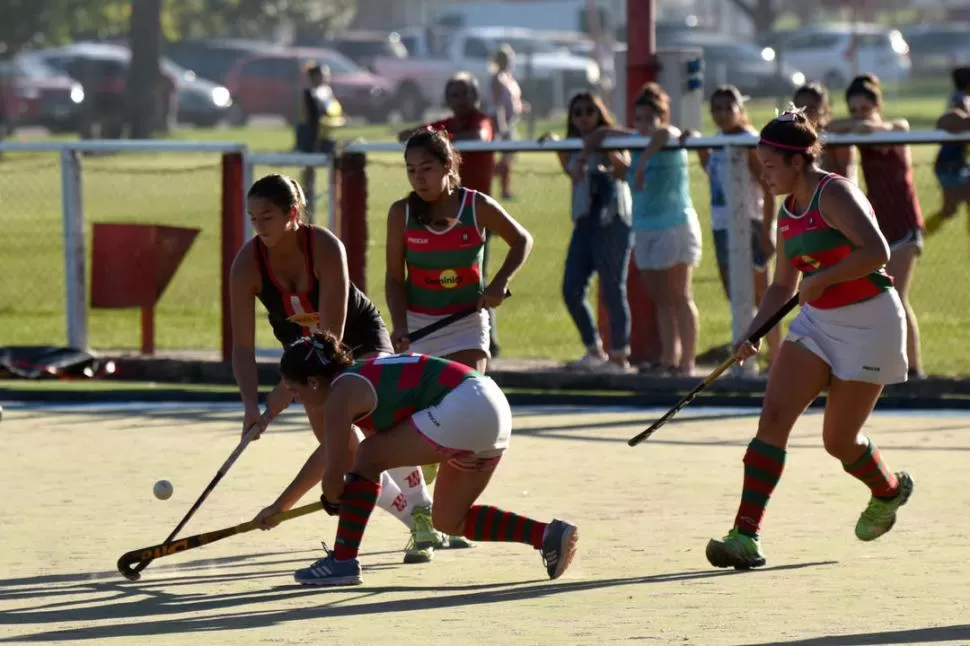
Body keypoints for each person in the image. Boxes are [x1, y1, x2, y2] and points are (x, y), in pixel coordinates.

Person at [705, 108, 913, 570]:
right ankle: (745, 535)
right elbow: (783, 286)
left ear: (798, 161)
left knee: (839, 442)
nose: (765, 176)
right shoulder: (787, 211)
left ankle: (889, 491)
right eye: (761, 167)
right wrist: (754, 333)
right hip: (817, 325)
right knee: (773, 419)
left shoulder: (834, 193)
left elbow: (877, 251)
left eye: (772, 166)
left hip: (870, 323)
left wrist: (826, 278)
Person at [231, 173, 470, 565]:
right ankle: (419, 520)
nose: (258, 226)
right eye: (252, 217)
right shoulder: (247, 264)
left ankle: (424, 511)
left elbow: (330, 340)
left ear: (293, 214)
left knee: (380, 426)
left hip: (351, 338)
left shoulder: (324, 246)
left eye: (267, 217)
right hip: (304, 354)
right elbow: (241, 347)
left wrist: (277, 401)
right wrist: (250, 407)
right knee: (339, 446)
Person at [256, 333, 578, 586]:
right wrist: (281, 508)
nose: (296, 399)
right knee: (448, 520)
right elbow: (333, 457)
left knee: (370, 455)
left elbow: (337, 476)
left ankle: (342, 562)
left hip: (464, 405)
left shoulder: (340, 393)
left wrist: (336, 496)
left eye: (294, 390)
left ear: (313, 381)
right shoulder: (357, 378)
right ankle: (547, 535)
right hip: (493, 407)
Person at [385, 128, 533, 376]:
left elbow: (522, 240)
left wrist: (499, 283)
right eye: (411, 170)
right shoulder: (401, 213)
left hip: (466, 324)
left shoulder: (477, 206)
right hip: (417, 325)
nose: (418, 178)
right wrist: (400, 325)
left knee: (465, 393)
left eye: (426, 168)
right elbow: (394, 279)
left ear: (447, 165)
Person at [584, 84, 699, 376]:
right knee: (660, 298)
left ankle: (687, 363)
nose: (644, 124)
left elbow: (665, 133)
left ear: (660, 116)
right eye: (639, 118)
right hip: (645, 227)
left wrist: (643, 159)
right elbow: (602, 135)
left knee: (680, 295)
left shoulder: (666, 141)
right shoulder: (636, 141)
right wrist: (593, 149)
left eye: (649, 117)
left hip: (674, 224)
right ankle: (668, 359)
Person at [397, 73, 505, 358]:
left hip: (471, 216)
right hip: (420, 321)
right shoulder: (402, 211)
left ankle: (486, 339)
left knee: (473, 277)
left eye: (464, 93)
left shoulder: (481, 121)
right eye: (453, 94)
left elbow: (479, 136)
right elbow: (411, 135)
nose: (459, 100)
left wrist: (440, 140)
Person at [828, 74, 925, 379]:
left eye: (864, 108)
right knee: (880, 297)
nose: (859, 115)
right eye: (853, 109)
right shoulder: (859, 130)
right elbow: (832, 128)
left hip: (905, 223)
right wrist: (855, 123)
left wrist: (860, 124)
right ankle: (886, 364)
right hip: (881, 226)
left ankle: (914, 367)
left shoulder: (897, 128)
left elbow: (878, 128)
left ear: (878, 104)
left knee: (897, 294)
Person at [681, 84, 779, 372]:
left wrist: (767, 231)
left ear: (740, 109)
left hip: (749, 222)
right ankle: (748, 353)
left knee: (761, 295)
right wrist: (697, 144)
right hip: (723, 225)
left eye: (728, 108)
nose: (723, 114)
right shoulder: (719, 141)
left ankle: (777, 356)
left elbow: (768, 189)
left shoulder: (749, 142)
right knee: (735, 292)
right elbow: (714, 172)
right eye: (717, 109)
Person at [541, 91, 634, 374]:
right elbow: (572, 173)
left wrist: (601, 142)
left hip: (613, 220)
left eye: (589, 112)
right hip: (584, 222)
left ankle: (619, 356)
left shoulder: (611, 140)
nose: (583, 118)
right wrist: (558, 146)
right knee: (571, 288)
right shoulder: (573, 145)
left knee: (612, 289)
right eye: (577, 113)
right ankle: (594, 349)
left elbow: (624, 169)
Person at [925, 67, 970, 234]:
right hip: (951, 164)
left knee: (949, 211)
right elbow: (957, 121)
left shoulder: (959, 97)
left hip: (954, 163)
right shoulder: (961, 100)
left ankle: (916, 235)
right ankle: (915, 236)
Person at [792, 82, 857, 183]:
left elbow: (848, 179)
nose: (805, 114)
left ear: (825, 109)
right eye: (800, 108)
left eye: (812, 108)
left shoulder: (835, 137)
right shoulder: (795, 138)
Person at [491, 44, 525, 200]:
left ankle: (505, 190)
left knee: (509, 157)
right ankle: (486, 176)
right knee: (507, 157)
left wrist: (522, 106)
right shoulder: (497, 79)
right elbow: (498, 104)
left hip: (512, 121)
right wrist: (501, 125)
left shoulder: (509, 77)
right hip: (502, 123)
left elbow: (512, 100)